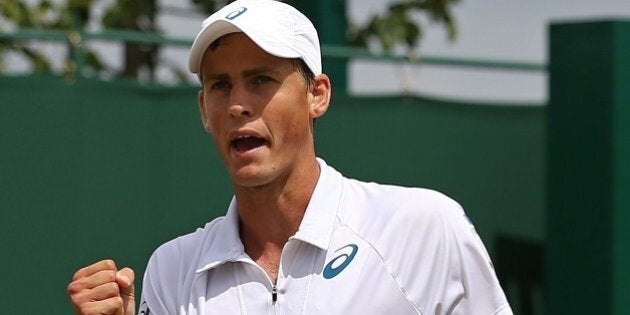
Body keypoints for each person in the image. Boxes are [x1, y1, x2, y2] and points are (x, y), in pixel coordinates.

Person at [67, 0, 513, 314]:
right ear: (204, 110)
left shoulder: (426, 228)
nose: (238, 104)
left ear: (317, 95)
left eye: (260, 79)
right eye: (221, 86)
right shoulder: (171, 270)